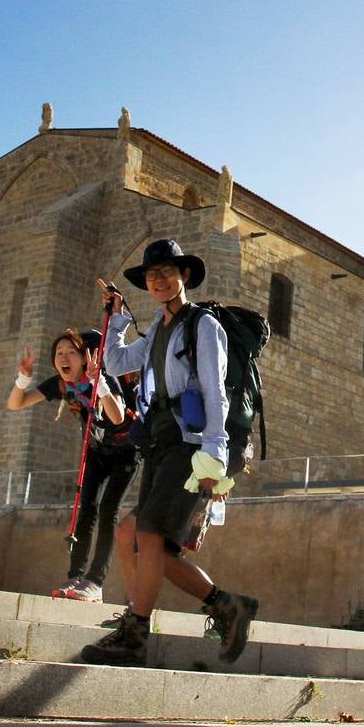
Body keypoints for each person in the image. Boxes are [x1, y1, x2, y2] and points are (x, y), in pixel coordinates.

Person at [80, 239, 259, 667]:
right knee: (136, 538)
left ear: (184, 276)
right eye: (152, 275)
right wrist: (118, 317)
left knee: (148, 536)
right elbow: (117, 362)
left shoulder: (203, 324)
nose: (159, 280)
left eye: (167, 271)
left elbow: (216, 391)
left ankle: (135, 632)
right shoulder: (159, 328)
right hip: (161, 445)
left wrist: (215, 455)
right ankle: (226, 606)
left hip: (193, 444)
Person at [7, 329, 136, 602]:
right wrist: (24, 377)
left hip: (125, 451)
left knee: (108, 510)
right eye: (59, 354)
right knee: (85, 509)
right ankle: (75, 577)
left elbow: (116, 418)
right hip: (96, 451)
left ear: (85, 357)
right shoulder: (62, 385)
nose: (64, 358)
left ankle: (95, 582)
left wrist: (98, 383)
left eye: (70, 353)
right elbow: (16, 403)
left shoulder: (104, 379)